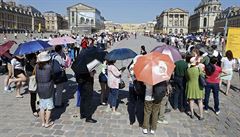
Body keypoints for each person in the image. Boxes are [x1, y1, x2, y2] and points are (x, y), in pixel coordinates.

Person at [35, 51, 54, 128]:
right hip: (48, 87)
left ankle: (43, 122)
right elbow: (52, 76)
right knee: (49, 107)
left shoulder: (36, 66)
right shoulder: (49, 67)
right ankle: (47, 123)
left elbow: (36, 77)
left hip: (40, 87)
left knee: (42, 107)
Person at [127, 61, 145, 127]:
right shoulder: (141, 67)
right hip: (140, 86)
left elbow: (129, 75)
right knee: (140, 104)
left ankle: (132, 120)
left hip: (131, 86)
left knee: (132, 103)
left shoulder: (130, 66)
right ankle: (140, 121)